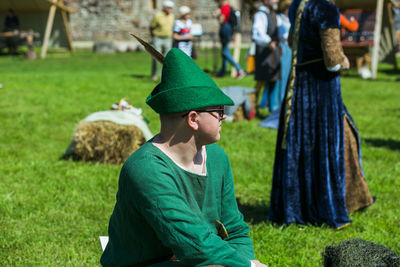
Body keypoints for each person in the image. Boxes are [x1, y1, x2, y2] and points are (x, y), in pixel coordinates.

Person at [100, 48, 267, 267]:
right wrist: (247, 266)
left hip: (201, 259)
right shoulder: (145, 168)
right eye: (218, 109)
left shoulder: (217, 157)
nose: (224, 115)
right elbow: (191, 242)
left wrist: (244, 260)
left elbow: (234, 229)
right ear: (193, 119)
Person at [269, 0, 374, 229]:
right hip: (320, 87)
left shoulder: (298, 4)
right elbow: (331, 58)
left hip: (297, 84)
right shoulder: (325, 8)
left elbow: (290, 41)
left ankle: (296, 208)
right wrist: (343, 61)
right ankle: (326, 207)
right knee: (325, 145)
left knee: (299, 146)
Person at [252, 0, 281, 113]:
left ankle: (271, 109)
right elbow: (257, 33)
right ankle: (253, 108)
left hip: (273, 51)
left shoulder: (273, 13)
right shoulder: (261, 14)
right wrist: (269, 42)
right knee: (261, 81)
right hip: (264, 51)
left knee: (273, 80)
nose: (277, 1)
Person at [216, 0, 246, 79]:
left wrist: (218, 14)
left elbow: (221, 20)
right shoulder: (230, 7)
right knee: (225, 52)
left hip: (225, 29)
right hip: (229, 30)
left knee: (225, 52)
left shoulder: (224, 8)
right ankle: (222, 72)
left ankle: (240, 70)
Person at [150, 1, 175, 81]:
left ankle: (163, 76)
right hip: (158, 38)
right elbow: (151, 26)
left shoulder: (172, 16)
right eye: (169, 8)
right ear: (164, 7)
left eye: (171, 8)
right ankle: (154, 75)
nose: (170, 10)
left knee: (166, 58)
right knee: (156, 57)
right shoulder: (157, 15)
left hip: (168, 38)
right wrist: (153, 37)